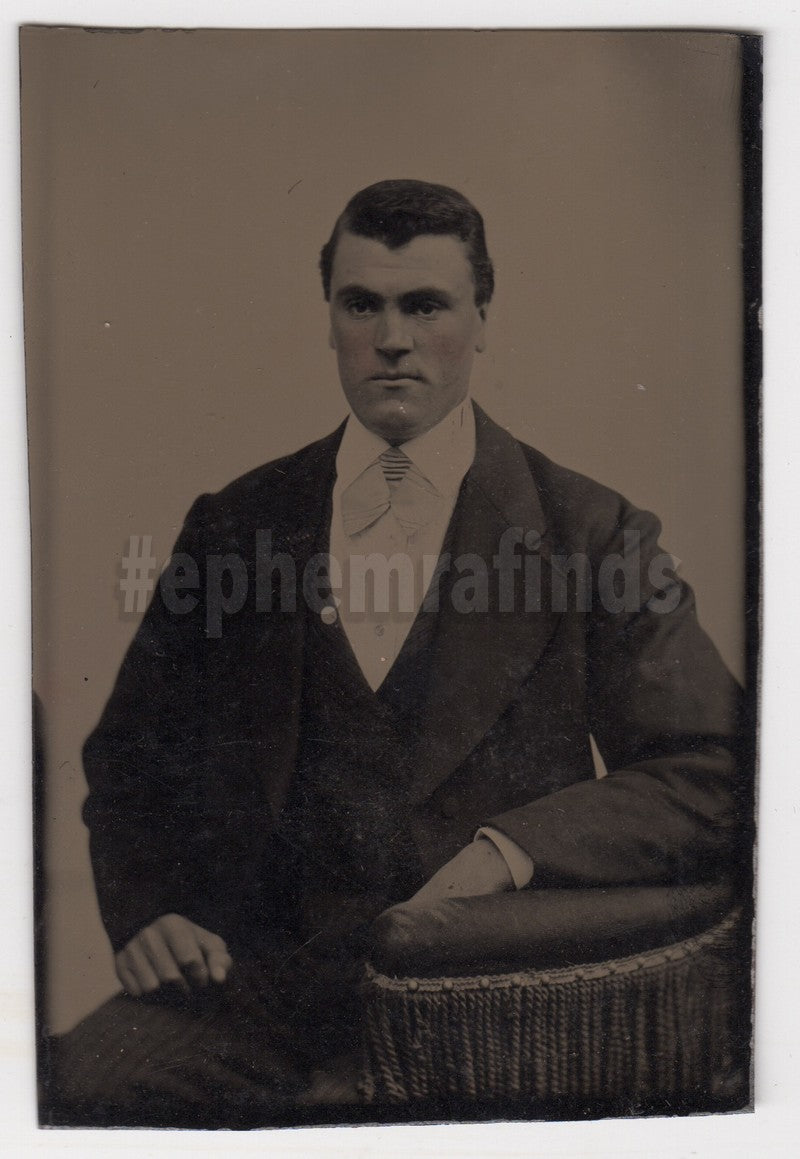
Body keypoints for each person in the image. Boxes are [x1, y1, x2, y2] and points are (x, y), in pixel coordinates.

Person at [49, 180, 744, 1126]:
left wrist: (509, 853)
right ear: (330, 318)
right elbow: (131, 753)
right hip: (255, 996)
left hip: (486, 994)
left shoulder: (593, 533)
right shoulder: (237, 524)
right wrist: (147, 908)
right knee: (73, 1089)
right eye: (361, 304)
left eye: (426, 306)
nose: (392, 339)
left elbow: (714, 767)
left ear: (482, 319)